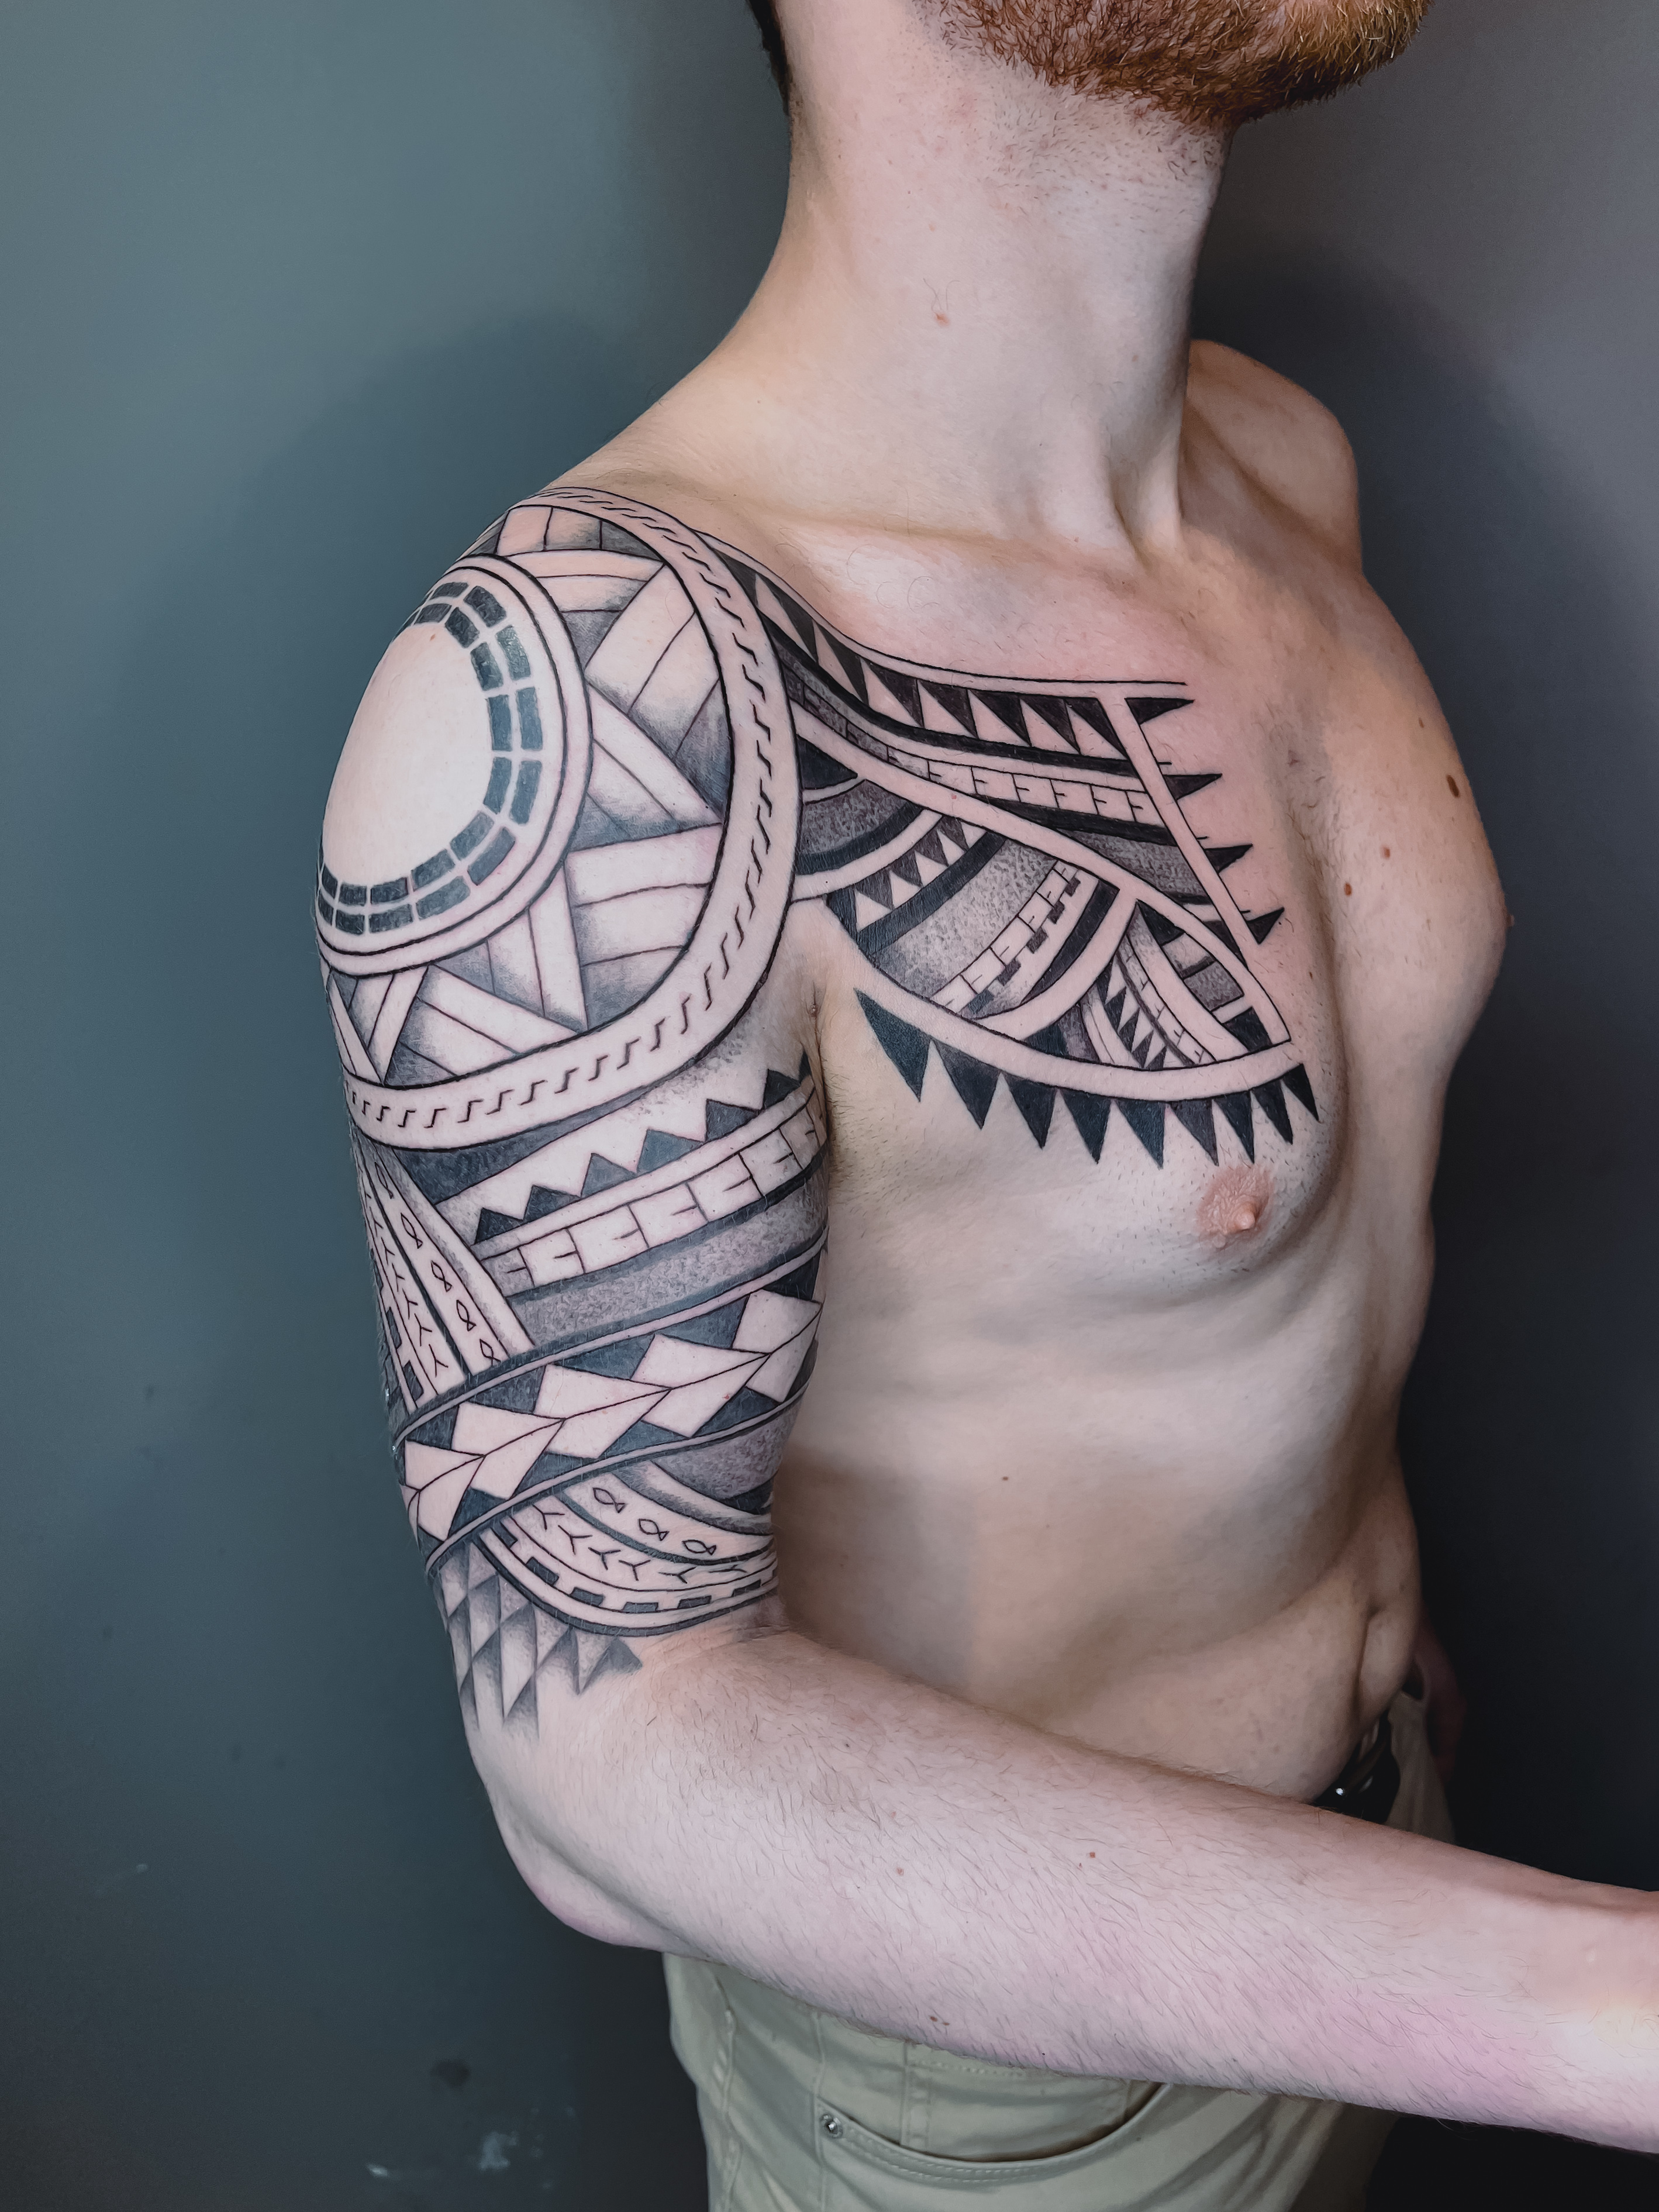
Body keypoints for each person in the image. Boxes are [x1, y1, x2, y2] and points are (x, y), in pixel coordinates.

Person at [315, 2, 1658, 2202]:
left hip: (1380, 1847)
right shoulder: (611, 694)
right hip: (1016, 2101)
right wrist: (1609, 2015)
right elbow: (606, 1751)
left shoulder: (1280, 465)